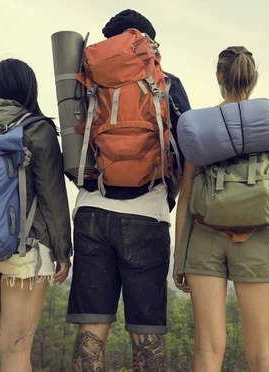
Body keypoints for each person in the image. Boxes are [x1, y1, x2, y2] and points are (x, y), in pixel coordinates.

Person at [67, 9, 191, 372]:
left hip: (91, 211)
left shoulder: (85, 81)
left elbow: (73, 151)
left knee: (91, 332)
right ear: (148, 44)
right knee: (147, 336)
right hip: (148, 215)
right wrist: (169, 197)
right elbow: (187, 154)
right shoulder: (167, 83)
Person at [174, 46, 269, 372]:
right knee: (264, 353)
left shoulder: (198, 126)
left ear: (218, 78)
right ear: (253, 80)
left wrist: (178, 257)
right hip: (255, 239)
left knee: (209, 349)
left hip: (203, 236)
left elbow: (185, 196)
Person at [0, 59, 72, 372]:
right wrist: (62, 251)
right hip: (25, 245)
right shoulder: (36, 127)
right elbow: (51, 194)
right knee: (15, 350)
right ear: (29, 88)